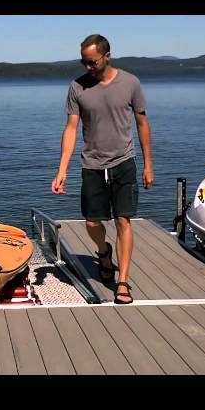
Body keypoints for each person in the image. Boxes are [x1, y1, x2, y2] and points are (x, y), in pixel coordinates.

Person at [51, 34, 154, 304]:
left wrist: (148, 165)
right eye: (83, 62)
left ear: (107, 56)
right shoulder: (77, 87)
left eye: (92, 62)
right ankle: (103, 251)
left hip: (123, 162)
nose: (87, 67)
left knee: (123, 220)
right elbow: (71, 128)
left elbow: (142, 124)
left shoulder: (130, 83)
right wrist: (62, 169)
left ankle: (123, 282)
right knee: (93, 222)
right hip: (92, 164)